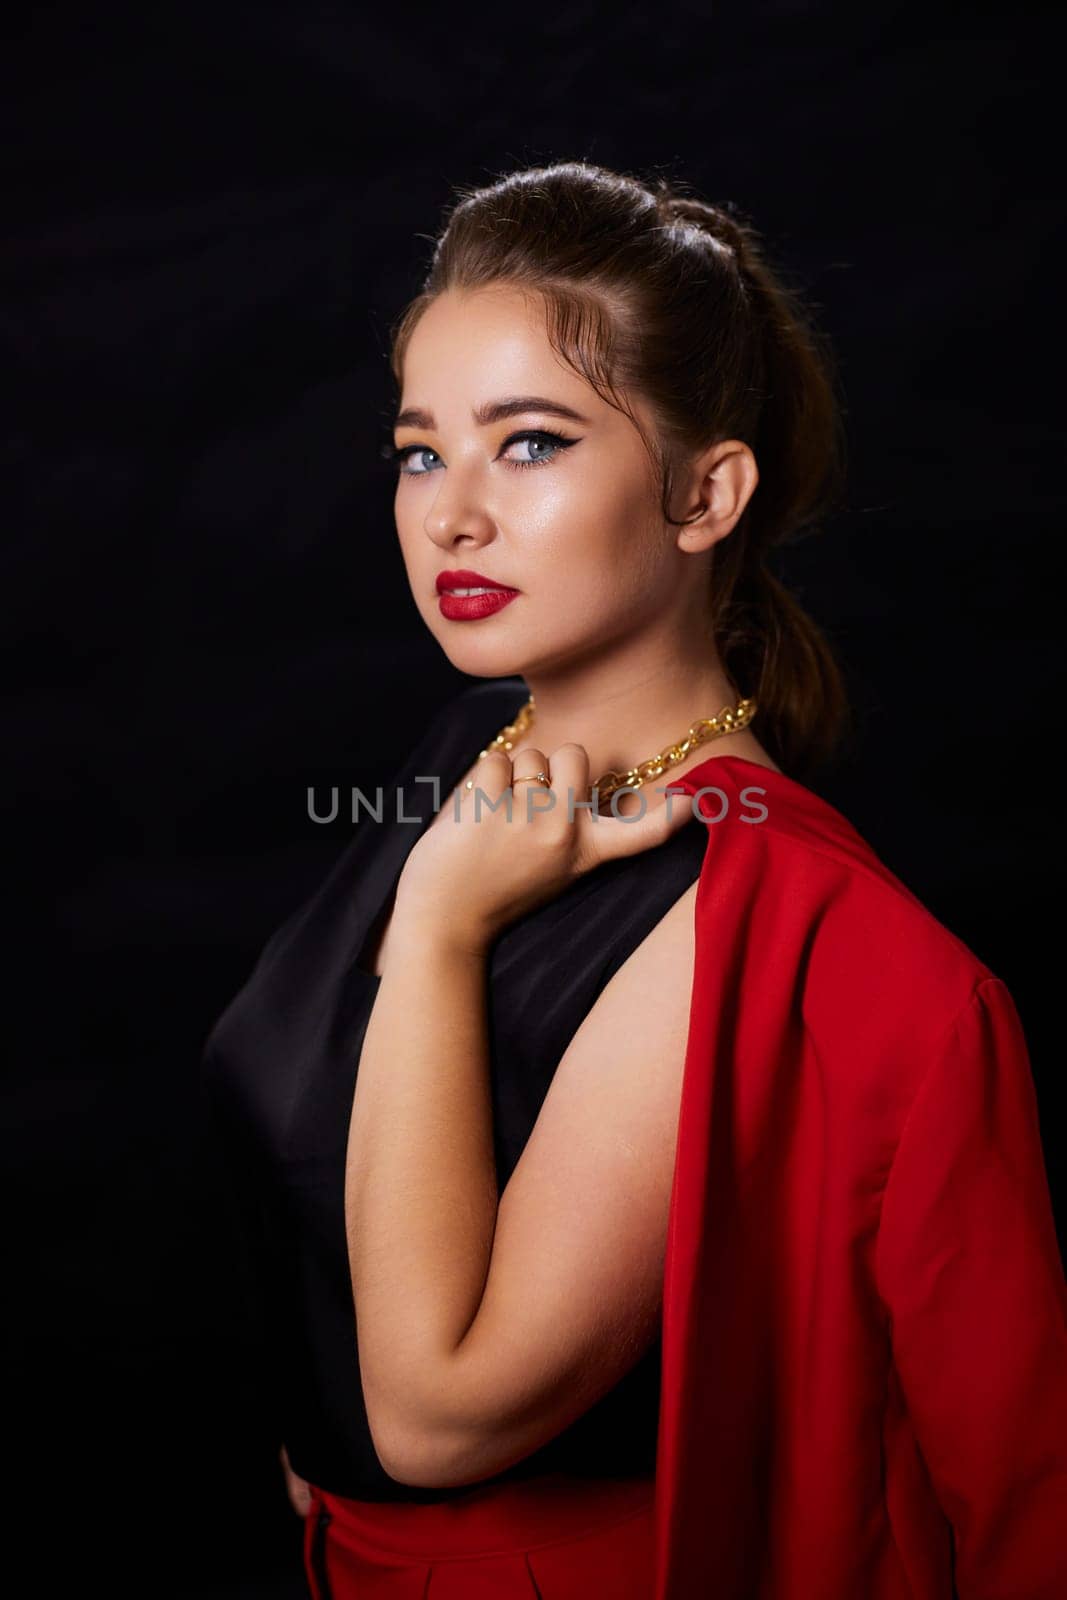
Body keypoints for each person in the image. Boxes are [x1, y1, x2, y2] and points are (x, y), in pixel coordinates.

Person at [199, 160, 1067, 1599]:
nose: (451, 516)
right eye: (422, 452)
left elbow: (433, 1415)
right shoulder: (473, 752)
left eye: (528, 445)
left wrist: (439, 931)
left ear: (705, 493)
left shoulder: (746, 900)